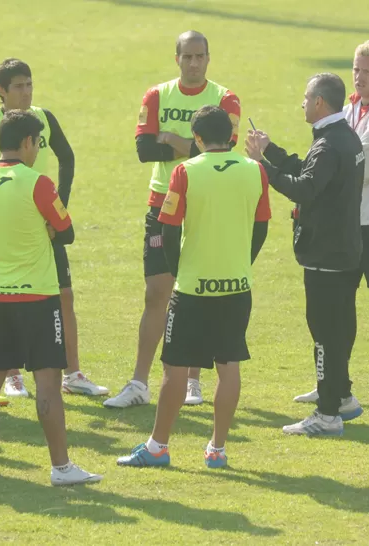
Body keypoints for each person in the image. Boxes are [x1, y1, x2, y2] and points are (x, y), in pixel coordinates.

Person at [0, 58, 107, 399]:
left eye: (29, 83)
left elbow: (68, 156)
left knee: (64, 295)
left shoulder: (43, 119)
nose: (26, 91)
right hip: (10, 229)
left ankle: (72, 372)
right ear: (1, 90)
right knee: (9, 295)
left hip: (44, 225)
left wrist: (60, 204)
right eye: (18, 85)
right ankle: (12, 375)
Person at [117, 106, 270, 469]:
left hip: (192, 288)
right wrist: (242, 263)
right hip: (237, 286)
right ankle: (217, 449)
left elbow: (169, 227)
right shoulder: (256, 171)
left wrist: (177, 268)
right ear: (231, 137)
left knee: (175, 368)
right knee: (228, 364)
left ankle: (158, 447)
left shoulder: (186, 171)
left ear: (197, 139)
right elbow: (261, 226)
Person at [104, 30, 241, 409]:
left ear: (208, 59)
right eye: (187, 57)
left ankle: (193, 382)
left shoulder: (225, 98)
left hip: (204, 205)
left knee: (197, 293)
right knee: (156, 293)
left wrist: (171, 138)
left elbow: (225, 148)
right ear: (176, 58)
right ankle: (138, 383)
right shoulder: (157, 95)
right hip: (162, 205)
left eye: (200, 56)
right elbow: (144, 150)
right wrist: (192, 145)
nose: (194, 63)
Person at [0, 110, 102, 485]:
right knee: (47, 383)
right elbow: (67, 231)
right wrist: (46, 226)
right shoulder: (38, 182)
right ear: (28, 142)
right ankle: (61, 468)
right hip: (39, 299)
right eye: (38, 142)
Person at [292, 41, 369, 413]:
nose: (359, 77)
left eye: (368, 71)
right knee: (337, 305)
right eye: (356, 69)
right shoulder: (347, 110)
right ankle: (333, 385)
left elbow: (361, 167)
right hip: (348, 222)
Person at [246, 73, 365, 437]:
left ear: (318, 103)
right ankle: (340, 394)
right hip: (346, 249)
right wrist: (271, 150)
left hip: (326, 252)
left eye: (305, 97)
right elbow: (312, 172)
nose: (301, 103)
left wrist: (261, 167)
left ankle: (327, 413)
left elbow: (305, 189)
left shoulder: (329, 144)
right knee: (341, 326)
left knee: (325, 330)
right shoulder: (343, 137)